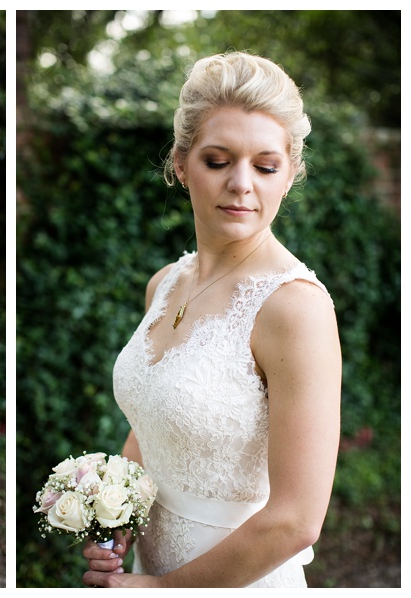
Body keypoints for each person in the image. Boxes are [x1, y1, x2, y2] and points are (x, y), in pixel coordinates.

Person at [82, 52, 341, 588]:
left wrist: (161, 590)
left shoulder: (295, 309)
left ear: (290, 173)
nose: (242, 184)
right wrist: (118, 510)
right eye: (218, 161)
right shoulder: (165, 283)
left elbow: (297, 521)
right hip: (147, 566)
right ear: (181, 163)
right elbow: (152, 423)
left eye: (266, 166)